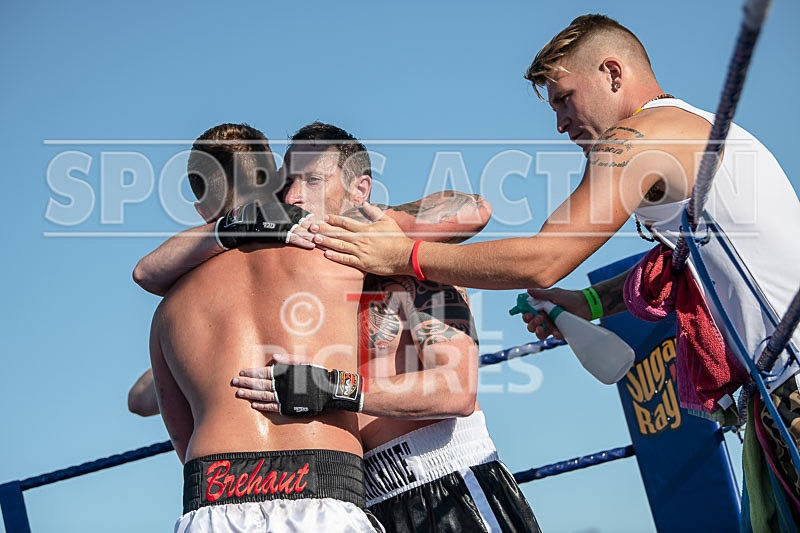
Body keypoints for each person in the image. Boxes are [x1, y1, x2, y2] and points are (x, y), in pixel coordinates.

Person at [309, 13, 800, 505]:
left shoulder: (637, 138)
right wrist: (587, 301)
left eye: (565, 98)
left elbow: (543, 259)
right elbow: (679, 262)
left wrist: (405, 254)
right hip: (780, 380)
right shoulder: (691, 127)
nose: (560, 124)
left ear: (613, 73)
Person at [232, 275, 541, 532]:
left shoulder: (414, 271)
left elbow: (456, 390)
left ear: (361, 195)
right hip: (356, 503)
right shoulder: (296, 291)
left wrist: (331, 388)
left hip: (447, 484)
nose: (294, 199)